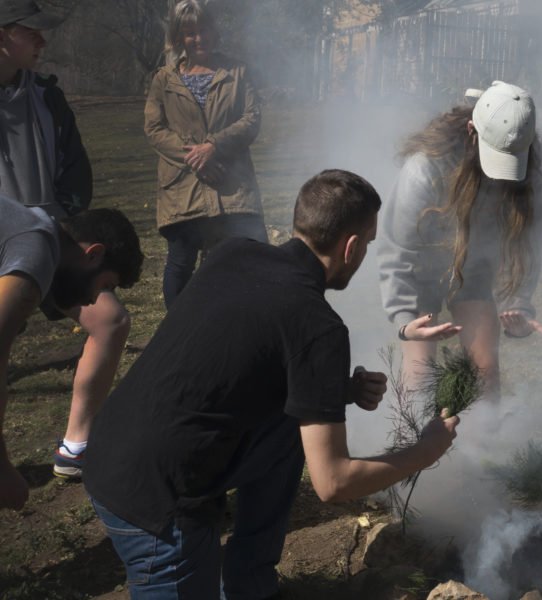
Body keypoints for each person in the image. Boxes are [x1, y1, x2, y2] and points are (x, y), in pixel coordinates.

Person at [83, 170, 460, 600]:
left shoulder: (233, 253)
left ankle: (250, 587)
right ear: (351, 246)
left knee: (289, 429)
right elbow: (333, 483)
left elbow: (238, 357)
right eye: (368, 244)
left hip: (108, 451)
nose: (365, 255)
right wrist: (426, 451)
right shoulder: (318, 325)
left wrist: (338, 390)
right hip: (155, 507)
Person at [0, 0, 138, 479]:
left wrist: (61, 223)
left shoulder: (46, 95)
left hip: (51, 239)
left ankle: (76, 445)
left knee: (111, 319)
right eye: (31, 31)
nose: (43, 40)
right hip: (5, 244)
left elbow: (75, 170)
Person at [377, 81, 542, 396]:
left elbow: (527, 242)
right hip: (420, 271)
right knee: (419, 376)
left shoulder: (526, 165)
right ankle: (414, 427)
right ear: (472, 131)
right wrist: (405, 321)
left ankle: (485, 428)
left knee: (485, 371)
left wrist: (519, 304)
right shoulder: (424, 169)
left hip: (473, 268)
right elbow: (397, 251)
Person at [0, 195, 143, 510]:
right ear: (93, 254)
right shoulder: (35, 255)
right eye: (105, 286)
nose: (93, 300)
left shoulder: (33, 229)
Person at [145, 0, 268, 308]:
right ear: (179, 37)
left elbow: (252, 118)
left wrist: (214, 146)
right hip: (183, 189)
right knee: (181, 262)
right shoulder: (163, 79)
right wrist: (196, 159)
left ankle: (240, 323)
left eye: (204, 30)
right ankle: (178, 328)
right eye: (190, 33)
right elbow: (155, 129)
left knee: (248, 257)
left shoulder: (237, 72)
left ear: (214, 30)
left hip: (232, 185)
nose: (199, 38)